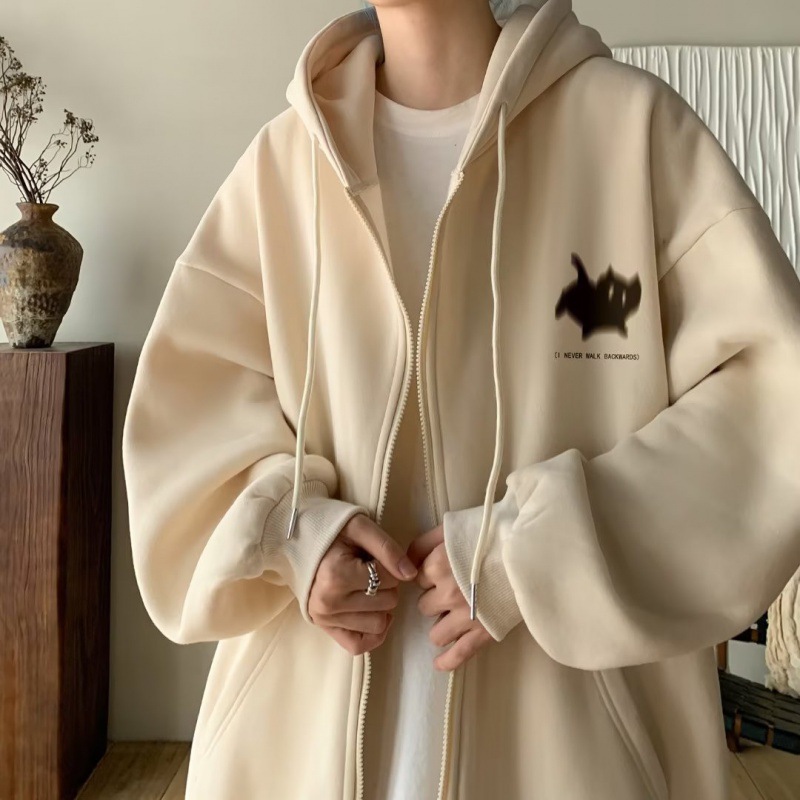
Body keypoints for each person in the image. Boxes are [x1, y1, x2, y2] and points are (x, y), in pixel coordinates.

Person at [121, 0, 800, 797]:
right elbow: (183, 433)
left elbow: (771, 411)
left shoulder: (633, 132)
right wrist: (294, 535)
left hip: (571, 762)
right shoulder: (281, 166)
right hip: (299, 758)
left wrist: (537, 552)